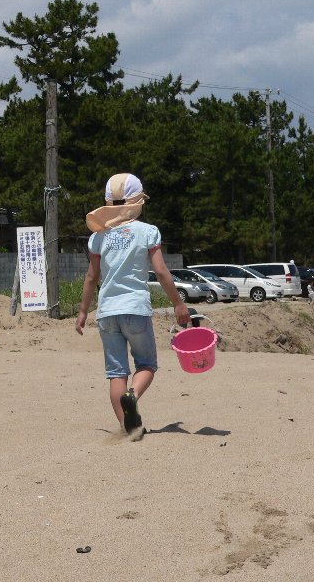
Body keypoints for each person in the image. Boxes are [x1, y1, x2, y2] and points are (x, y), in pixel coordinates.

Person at [75, 173, 190, 437]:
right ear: (137, 202)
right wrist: (178, 304)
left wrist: (82, 311)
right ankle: (133, 395)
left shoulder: (98, 237)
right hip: (135, 308)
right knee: (147, 364)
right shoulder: (147, 232)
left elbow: (91, 277)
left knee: (116, 373)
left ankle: (130, 429)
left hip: (107, 312)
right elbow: (161, 271)